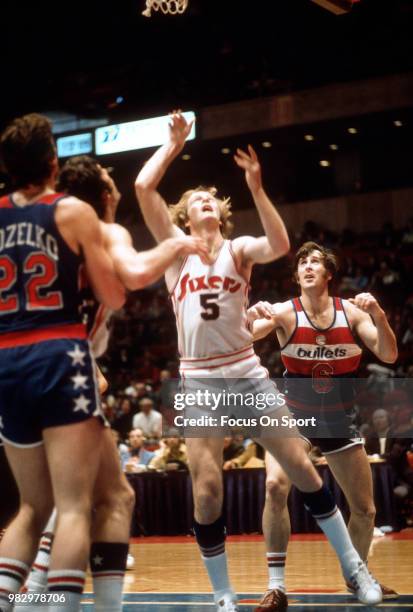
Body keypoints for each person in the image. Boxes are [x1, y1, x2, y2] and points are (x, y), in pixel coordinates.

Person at [135, 112, 383, 611]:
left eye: (212, 200)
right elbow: (143, 186)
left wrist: (256, 186)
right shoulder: (176, 253)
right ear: (186, 217)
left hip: (247, 377)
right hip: (201, 385)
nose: (206, 202)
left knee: (303, 472)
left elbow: (281, 245)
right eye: (197, 200)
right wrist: (173, 144)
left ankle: (357, 571)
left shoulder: (238, 249)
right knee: (206, 493)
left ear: (220, 215)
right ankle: (224, 595)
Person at [22, 153, 208, 611]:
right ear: (105, 196)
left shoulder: (38, 234)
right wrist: (179, 245)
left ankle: (24, 594)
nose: (115, 182)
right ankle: (52, 598)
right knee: (76, 504)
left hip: (23, 367)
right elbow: (135, 275)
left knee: (56, 504)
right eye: (109, 178)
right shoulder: (101, 233)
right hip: (58, 370)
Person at [0, 113, 125, 612]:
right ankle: (65, 608)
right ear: (52, 162)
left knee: (32, 506)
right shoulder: (73, 212)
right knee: (74, 507)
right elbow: (112, 293)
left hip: (6, 356)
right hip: (58, 351)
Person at [248, 241, 398, 610]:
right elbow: (245, 336)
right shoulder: (284, 312)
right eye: (302, 263)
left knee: (365, 510)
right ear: (297, 275)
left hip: (338, 419)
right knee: (273, 486)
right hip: (293, 417)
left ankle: (356, 576)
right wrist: (249, 315)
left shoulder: (352, 312)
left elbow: (390, 354)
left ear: (328, 274)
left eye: (315, 261)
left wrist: (378, 314)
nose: (307, 266)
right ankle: (276, 586)